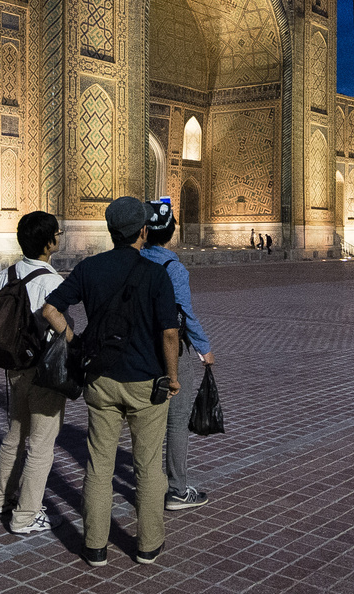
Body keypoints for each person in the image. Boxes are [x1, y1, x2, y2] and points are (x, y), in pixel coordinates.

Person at [42, 198, 181, 568]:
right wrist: (173, 377)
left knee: (99, 466)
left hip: (101, 380)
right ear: (143, 232)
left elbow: (50, 310)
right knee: (148, 468)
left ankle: (95, 546)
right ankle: (148, 546)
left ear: (110, 232)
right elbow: (170, 334)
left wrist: (76, 342)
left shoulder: (90, 269)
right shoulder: (155, 273)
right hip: (146, 382)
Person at [0, 212, 66, 534]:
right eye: (56, 234)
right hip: (43, 371)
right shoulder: (51, 280)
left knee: (16, 434)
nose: (58, 238)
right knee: (41, 445)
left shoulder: (5, 275)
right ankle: (26, 515)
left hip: (14, 367)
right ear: (48, 242)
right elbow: (58, 327)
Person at [140, 214, 213, 512]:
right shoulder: (173, 267)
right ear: (171, 233)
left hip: (139, 350)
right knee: (177, 420)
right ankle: (178, 490)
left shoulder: (135, 260)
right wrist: (204, 347)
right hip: (171, 351)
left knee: (147, 419)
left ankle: (148, 482)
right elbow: (184, 313)